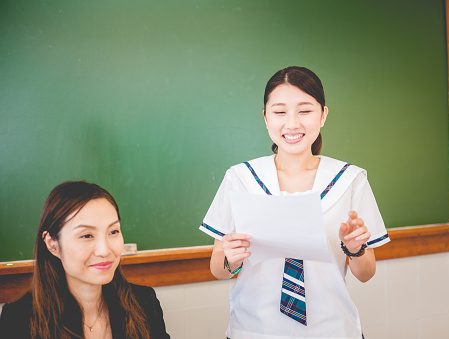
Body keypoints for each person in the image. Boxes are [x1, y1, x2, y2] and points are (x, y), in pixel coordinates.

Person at [199, 66, 390, 338]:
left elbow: (365, 274)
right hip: (254, 330)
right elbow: (218, 269)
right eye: (279, 112)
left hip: (332, 329)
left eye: (305, 110)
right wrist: (230, 260)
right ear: (265, 118)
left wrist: (355, 249)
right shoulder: (240, 178)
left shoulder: (349, 179)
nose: (292, 124)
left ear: (323, 115)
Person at [0, 181, 170, 339]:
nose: (104, 250)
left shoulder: (144, 302)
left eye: (113, 232)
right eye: (86, 235)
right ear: (53, 245)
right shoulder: (19, 319)